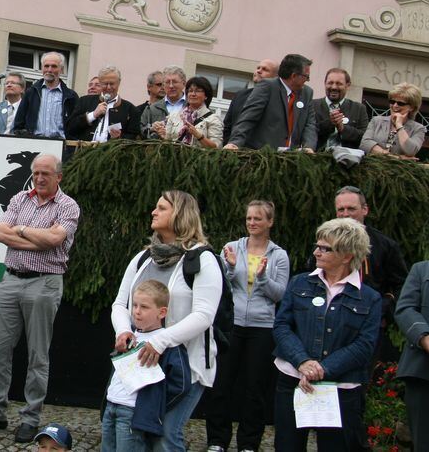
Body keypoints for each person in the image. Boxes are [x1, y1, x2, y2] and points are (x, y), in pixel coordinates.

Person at [0, 154, 81, 443]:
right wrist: (35, 238)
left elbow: (54, 240)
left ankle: (30, 418)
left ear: (58, 177)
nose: (39, 178)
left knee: (37, 355)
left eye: (45, 174)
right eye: (36, 172)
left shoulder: (68, 206)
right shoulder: (19, 199)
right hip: (10, 280)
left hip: (44, 283)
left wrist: (21, 230)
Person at [110, 190, 221, 451]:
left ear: (180, 214)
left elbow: (204, 315)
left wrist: (160, 341)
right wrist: (123, 330)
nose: (153, 212)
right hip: (141, 365)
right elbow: (120, 304)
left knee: (165, 436)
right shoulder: (143, 258)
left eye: (161, 208)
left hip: (185, 367)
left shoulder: (202, 259)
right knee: (140, 432)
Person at [272, 218, 381, 451]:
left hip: (341, 389)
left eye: (325, 248)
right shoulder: (299, 283)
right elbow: (282, 326)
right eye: (317, 246)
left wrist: (322, 369)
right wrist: (303, 361)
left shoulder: (369, 298)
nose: (316, 252)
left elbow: (364, 345)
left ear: (346, 256)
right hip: (293, 380)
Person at [205, 200, 290, 452]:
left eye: (258, 218)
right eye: (249, 218)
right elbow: (222, 286)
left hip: (262, 328)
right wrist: (231, 268)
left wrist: (262, 278)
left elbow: (279, 294)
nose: (252, 223)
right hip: (232, 325)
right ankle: (217, 440)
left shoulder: (279, 255)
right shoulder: (232, 248)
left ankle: (249, 443)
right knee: (221, 384)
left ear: (270, 222)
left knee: (255, 388)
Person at [102, 280, 190, 452]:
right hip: (111, 405)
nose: (137, 311)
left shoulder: (167, 342)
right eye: (135, 305)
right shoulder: (128, 335)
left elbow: (181, 384)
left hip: (133, 413)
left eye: (144, 307)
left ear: (162, 312)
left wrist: (154, 404)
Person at [332, 186, 407, 360]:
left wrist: (384, 308)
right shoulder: (325, 244)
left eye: (351, 208)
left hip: (369, 324)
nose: (345, 214)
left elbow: (402, 284)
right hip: (330, 320)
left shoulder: (385, 245)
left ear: (365, 209)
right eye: (341, 209)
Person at [225, 53, 317, 151]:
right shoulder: (267, 86)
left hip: (291, 156)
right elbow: (248, 117)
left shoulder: (307, 93)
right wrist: (235, 143)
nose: (307, 80)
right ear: (293, 76)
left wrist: (308, 147)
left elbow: (310, 124)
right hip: (263, 154)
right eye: (306, 76)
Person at [395, 258, 429, 451]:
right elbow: (405, 309)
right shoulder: (422, 270)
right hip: (424, 374)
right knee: (426, 444)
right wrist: (423, 337)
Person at [13, 52, 78, 138]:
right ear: (42, 68)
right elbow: (18, 124)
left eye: (54, 66)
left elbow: (75, 126)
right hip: (33, 143)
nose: (49, 70)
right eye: (46, 66)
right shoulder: (31, 93)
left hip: (60, 144)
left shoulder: (71, 96)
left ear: (61, 69)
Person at [66, 66, 140, 142]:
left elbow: (134, 138)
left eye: (112, 84)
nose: (108, 87)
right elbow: (69, 128)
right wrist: (93, 115)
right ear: (100, 83)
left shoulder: (130, 109)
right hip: (84, 148)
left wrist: (119, 137)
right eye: (105, 84)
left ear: (118, 83)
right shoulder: (84, 101)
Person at [360, 82, 426, 159]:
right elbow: (364, 144)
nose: (395, 105)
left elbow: (411, 151)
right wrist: (396, 157)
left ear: (412, 107)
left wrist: (399, 126)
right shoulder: (377, 121)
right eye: (392, 102)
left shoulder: (418, 129)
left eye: (400, 103)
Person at [153, 76, 223, 148]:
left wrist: (198, 135)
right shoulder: (175, 115)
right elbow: (168, 144)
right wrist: (163, 136)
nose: (193, 94)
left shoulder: (213, 119)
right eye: (190, 91)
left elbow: (216, 148)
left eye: (198, 91)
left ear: (206, 96)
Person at [222, 59, 278, 145]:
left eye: (265, 69)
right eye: (258, 68)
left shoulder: (277, 99)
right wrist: (229, 145)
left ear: (276, 77)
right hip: (235, 148)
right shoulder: (240, 95)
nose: (259, 71)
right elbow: (227, 125)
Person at [313, 68, 369, 150]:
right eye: (330, 83)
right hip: (315, 155)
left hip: (348, 157)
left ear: (348, 85)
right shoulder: (312, 105)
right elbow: (308, 132)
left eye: (339, 84)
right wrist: (330, 123)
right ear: (325, 83)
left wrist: (342, 128)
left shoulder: (359, 109)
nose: (334, 87)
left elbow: (365, 138)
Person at [140, 66, 187, 139]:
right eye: (167, 82)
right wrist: (152, 128)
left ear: (184, 84)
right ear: (164, 85)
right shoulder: (151, 109)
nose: (171, 86)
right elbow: (140, 131)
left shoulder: (192, 106)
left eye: (174, 82)